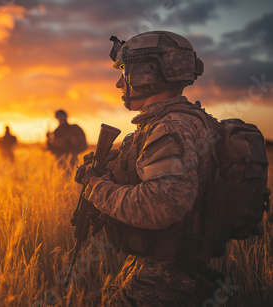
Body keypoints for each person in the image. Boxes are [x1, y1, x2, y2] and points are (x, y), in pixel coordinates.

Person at [81, 31, 224, 305]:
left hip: (164, 280)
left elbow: (160, 205)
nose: (119, 84)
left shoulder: (169, 128)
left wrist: (97, 187)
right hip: (176, 270)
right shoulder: (185, 121)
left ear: (148, 74)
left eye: (126, 73)